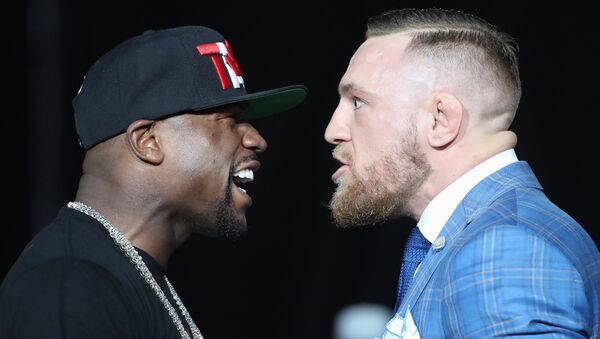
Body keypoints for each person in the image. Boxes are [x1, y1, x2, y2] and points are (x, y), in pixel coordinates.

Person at [0, 26, 306, 338]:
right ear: (148, 141)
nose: (257, 139)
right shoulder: (68, 288)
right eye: (231, 121)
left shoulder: (123, 274)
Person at [324, 7, 599, 338]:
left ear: (441, 120)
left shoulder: (499, 251)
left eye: (357, 102)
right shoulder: (481, 235)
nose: (333, 130)